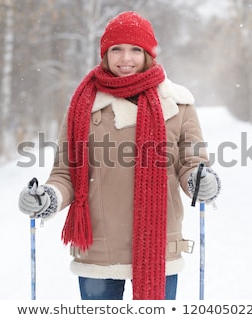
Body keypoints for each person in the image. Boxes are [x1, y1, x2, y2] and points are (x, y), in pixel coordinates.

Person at [18, 11, 220, 300]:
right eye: (117, 49)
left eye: (136, 49)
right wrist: (46, 199)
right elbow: (66, 173)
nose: (126, 58)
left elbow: (192, 164)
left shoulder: (177, 104)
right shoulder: (82, 107)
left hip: (159, 244)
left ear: (149, 54)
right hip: (99, 249)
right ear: (105, 54)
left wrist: (201, 181)